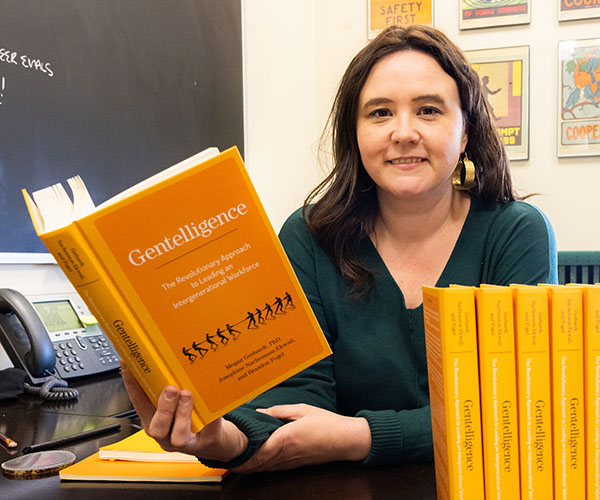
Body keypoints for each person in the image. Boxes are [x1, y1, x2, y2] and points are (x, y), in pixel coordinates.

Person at [121, 24, 557, 473]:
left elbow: (519, 412)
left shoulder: (516, 233)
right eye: (380, 113)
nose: (403, 133)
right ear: (354, 135)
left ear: (465, 133)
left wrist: (357, 436)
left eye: (428, 110)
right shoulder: (309, 237)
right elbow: (292, 408)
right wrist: (222, 441)